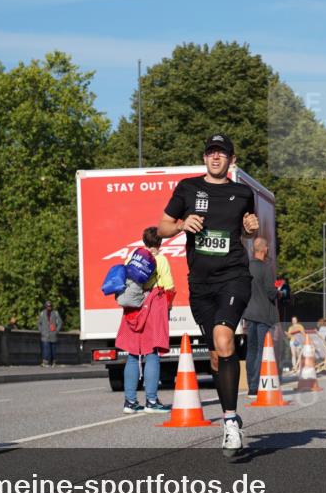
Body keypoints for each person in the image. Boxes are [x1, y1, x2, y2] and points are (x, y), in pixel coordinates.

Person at [158, 133, 259, 457]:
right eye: (211, 153)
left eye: (222, 154)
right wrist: (181, 225)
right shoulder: (188, 188)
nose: (216, 158)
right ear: (205, 158)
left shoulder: (242, 192)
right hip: (200, 285)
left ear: (232, 159)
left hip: (233, 277)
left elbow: (247, 230)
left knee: (224, 339)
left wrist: (252, 229)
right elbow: (161, 227)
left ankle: (230, 423)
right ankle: (232, 411)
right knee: (217, 352)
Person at [118, 227, 174, 414]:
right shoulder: (161, 260)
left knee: (133, 356)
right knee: (151, 354)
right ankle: (151, 401)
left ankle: (130, 402)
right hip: (152, 308)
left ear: (144, 241)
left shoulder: (131, 258)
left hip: (132, 309)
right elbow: (169, 287)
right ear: (160, 242)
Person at [242, 237, 278, 398]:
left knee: (251, 350)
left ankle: (251, 386)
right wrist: (279, 292)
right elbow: (271, 292)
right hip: (263, 315)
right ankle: (257, 386)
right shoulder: (266, 268)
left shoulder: (246, 267)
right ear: (264, 249)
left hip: (249, 314)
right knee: (261, 351)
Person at [37, 301, 62, 366]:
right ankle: (45, 362)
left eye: (50, 306)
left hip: (53, 335)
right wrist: (41, 331)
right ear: (45, 306)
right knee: (45, 349)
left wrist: (57, 331)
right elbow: (39, 323)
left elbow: (60, 323)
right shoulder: (42, 313)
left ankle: (53, 361)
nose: (49, 307)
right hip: (45, 335)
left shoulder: (55, 313)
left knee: (53, 350)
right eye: (48, 306)